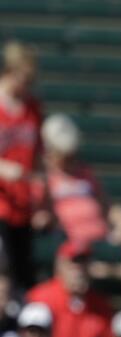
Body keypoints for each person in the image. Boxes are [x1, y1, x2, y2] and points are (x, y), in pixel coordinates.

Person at [33, 114, 121, 250]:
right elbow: (39, 215)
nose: (69, 159)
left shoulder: (85, 173)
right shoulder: (44, 178)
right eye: (64, 155)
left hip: (100, 239)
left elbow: (107, 205)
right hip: (69, 245)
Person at [25, 240, 113, 337]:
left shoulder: (100, 306)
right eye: (73, 263)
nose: (79, 270)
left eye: (83, 263)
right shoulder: (40, 298)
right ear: (59, 266)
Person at [0, 41, 43, 290]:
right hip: (2, 203)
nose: (27, 85)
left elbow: (39, 156)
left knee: (23, 277)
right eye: (24, 77)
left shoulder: (33, 108)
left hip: (23, 204)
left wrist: (41, 198)